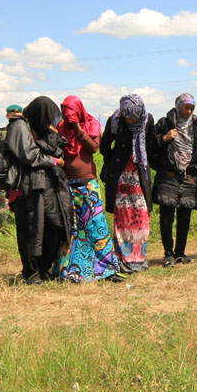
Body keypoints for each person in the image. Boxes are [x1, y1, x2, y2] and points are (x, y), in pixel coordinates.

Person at [55, 95, 124, 283]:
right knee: (73, 227)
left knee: (96, 225)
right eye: (65, 113)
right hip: (67, 184)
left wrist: (78, 128)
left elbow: (93, 148)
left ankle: (106, 269)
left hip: (88, 183)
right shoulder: (61, 128)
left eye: (71, 114)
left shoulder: (92, 124)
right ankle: (72, 270)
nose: (68, 118)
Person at [7, 96, 73, 284]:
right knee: (30, 229)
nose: (49, 123)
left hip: (47, 185)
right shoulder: (20, 126)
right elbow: (28, 155)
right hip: (26, 188)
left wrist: (52, 140)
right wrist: (52, 160)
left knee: (54, 225)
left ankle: (44, 268)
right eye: (47, 118)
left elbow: (57, 148)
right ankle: (31, 272)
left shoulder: (44, 130)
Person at [152, 94, 197, 267]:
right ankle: (168, 253)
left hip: (190, 175)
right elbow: (149, 145)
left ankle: (180, 253)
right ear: (178, 106)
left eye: (192, 108)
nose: (189, 111)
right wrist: (164, 138)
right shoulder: (164, 123)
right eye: (186, 107)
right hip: (168, 175)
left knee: (185, 214)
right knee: (166, 215)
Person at [100, 94, 154, 273]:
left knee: (142, 220)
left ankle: (139, 259)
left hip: (139, 177)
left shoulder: (147, 121)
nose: (130, 119)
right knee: (122, 221)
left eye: (133, 116)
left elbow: (151, 145)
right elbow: (104, 146)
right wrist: (113, 164)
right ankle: (123, 259)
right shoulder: (115, 120)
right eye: (127, 116)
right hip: (121, 178)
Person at [0, 104, 23, 227]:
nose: (15, 118)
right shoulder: (1, 133)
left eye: (18, 116)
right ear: (7, 116)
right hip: (3, 175)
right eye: (13, 116)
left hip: (21, 177)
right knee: (1, 207)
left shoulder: (26, 132)